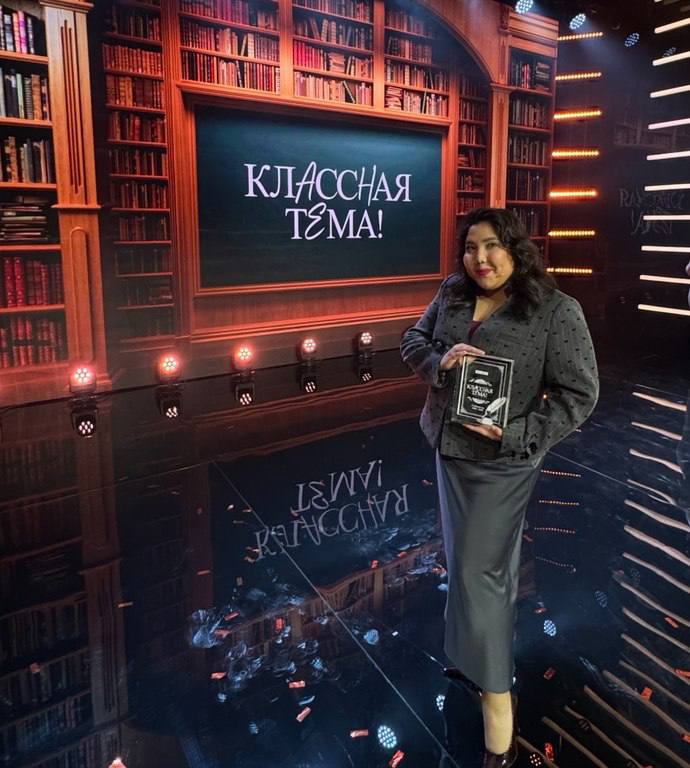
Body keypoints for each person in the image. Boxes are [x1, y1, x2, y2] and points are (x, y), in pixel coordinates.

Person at [400, 207, 599, 768]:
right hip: (449, 452)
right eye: (470, 247)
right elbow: (412, 341)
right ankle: (467, 658)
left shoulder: (556, 310)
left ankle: (498, 714)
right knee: (467, 560)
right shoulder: (452, 292)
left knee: (478, 575)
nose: (480, 259)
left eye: (492, 246)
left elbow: (580, 395)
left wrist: (518, 432)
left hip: (503, 463)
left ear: (516, 248)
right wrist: (441, 362)